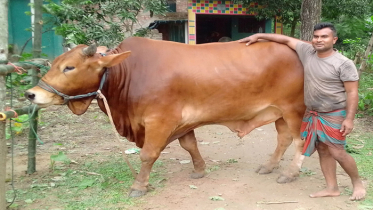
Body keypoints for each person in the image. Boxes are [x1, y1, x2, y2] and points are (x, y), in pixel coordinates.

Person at [238, 22, 366, 201]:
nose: (319, 40)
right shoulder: (307, 52)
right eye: (316, 36)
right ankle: (332, 187)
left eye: (324, 37)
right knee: (323, 150)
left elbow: (352, 92)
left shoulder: (343, 63)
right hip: (314, 113)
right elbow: (284, 39)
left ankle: (358, 184)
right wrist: (258, 36)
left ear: (334, 40)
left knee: (337, 152)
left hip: (334, 114)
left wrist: (349, 119)